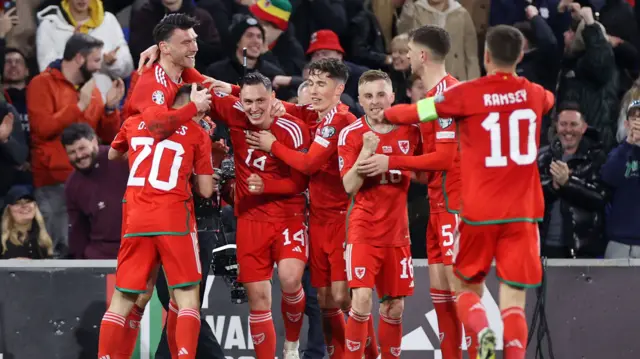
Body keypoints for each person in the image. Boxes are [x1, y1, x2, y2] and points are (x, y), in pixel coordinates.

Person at [384, 25, 555, 359]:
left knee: (463, 290)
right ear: (520, 56)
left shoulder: (466, 94)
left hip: (475, 210)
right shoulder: (535, 94)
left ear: (486, 56)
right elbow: (548, 100)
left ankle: (484, 331)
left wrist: (386, 114)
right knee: (514, 301)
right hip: (522, 213)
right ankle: (511, 350)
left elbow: (417, 111)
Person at [245, 58, 380, 359]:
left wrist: (272, 146)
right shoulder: (319, 116)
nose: (314, 90)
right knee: (325, 299)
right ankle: (339, 354)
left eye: (322, 84)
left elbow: (308, 165)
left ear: (339, 89)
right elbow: (297, 110)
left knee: (345, 298)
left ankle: (370, 354)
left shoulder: (340, 121)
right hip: (317, 220)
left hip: (343, 219)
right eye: (313, 83)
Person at [356, 25, 467, 359]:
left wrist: (391, 159)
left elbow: (446, 158)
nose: (404, 57)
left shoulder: (449, 94)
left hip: (455, 204)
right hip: (438, 203)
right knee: (442, 298)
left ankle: (480, 347)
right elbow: (423, 158)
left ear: (421, 55)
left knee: (461, 296)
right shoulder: (434, 99)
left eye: (408, 52)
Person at [98, 83, 215, 359]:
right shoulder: (197, 133)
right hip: (174, 219)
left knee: (123, 298)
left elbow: (113, 154)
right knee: (186, 298)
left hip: (136, 219)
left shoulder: (134, 123)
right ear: (190, 105)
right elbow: (207, 190)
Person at [208, 72, 311, 359]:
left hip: (288, 215)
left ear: (273, 99)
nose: (254, 108)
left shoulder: (293, 128)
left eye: (261, 101)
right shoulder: (235, 113)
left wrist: (268, 185)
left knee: (291, 281)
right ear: (240, 100)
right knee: (258, 299)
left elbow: (302, 182)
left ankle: (291, 347)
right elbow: (199, 84)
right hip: (251, 220)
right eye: (248, 101)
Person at [338, 70, 420, 359]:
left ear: (393, 96)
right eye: (368, 96)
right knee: (360, 301)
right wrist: (365, 155)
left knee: (394, 306)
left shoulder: (411, 130)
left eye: (381, 94)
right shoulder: (351, 134)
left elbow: (424, 173)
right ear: (359, 100)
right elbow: (348, 186)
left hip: (398, 234)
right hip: (363, 231)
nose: (375, 102)